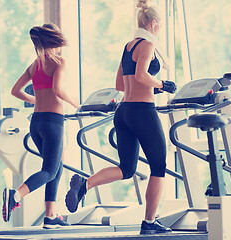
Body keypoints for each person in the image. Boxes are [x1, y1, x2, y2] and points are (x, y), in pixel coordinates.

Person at [65, 0, 176, 235]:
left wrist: (152, 87)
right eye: (160, 27)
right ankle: (149, 222)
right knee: (159, 166)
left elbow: (120, 83)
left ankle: (84, 184)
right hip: (142, 112)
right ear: (154, 23)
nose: (160, 31)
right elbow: (142, 75)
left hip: (123, 113)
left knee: (126, 169)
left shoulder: (128, 46)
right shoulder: (146, 45)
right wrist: (163, 85)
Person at [4, 23, 79, 229]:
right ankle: (16, 194)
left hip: (36, 123)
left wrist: (35, 100)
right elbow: (57, 89)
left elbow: (15, 91)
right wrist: (75, 102)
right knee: (49, 170)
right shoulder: (59, 61)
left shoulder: (34, 64)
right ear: (54, 41)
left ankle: (50, 216)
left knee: (57, 168)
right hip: (53, 122)